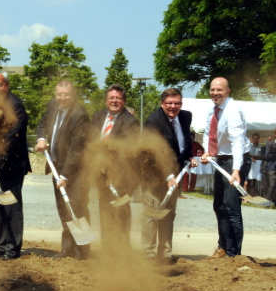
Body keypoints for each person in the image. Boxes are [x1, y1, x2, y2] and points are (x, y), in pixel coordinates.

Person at [35, 80, 90, 259]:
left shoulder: (79, 115)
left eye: (66, 95)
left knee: (77, 208)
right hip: (57, 166)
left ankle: (83, 251)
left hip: (76, 171)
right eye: (59, 94)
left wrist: (65, 175)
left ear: (72, 95)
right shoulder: (53, 106)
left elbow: (77, 150)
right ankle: (67, 250)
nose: (62, 98)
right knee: (63, 208)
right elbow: (42, 123)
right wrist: (41, 139)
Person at [142, 88, 195, 263]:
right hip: (154, 175)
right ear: (162, 103)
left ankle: (164, 254)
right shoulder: (153, 121)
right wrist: (167, 176)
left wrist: (189, 157)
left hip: (175, 175)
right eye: (169, 103)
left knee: (168, 214)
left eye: (177, 103)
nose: (173, 106)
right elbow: (154, 153)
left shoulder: (186, 117)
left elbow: (185, 143)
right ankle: (148, 255)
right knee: (152, 214)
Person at [0, 70, 31, 260]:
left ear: (7, 85)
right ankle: (1, 244)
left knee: (12, 207)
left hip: (11, 165)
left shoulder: (15, 106)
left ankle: (13, 248)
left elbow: (10, 139)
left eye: (0, 85)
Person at [200, 77, 247, 258]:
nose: (215, 93)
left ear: (228, 91)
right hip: (220, 159)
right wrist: (207, 152)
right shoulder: (213, 110)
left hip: (236, 160)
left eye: (219, 90)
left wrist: (236, 169)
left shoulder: (233, 110)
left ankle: (234, 254)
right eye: (212, 90)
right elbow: (207, 134)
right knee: (218, 205)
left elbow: (238, 142)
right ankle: (223, 247)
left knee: (231, 206)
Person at [91, 84, 138, 251]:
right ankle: (107, 249)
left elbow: (130, 151)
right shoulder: (98, 117)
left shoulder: (131, 122)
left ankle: (123, 249)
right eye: (111, 98)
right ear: (106, 101)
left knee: (121, 212)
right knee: (105, 210)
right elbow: (91, 140)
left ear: (124, 101)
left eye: (118, 98)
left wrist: (110, 163)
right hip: (101, 174)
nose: (114, 101)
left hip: (121, 177)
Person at [246, 133, 264, 197]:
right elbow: (247, 155)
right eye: (254, 138)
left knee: (256, 180)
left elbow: (261, 156)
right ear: (252, 139)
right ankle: (247, 193)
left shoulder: (260, 147)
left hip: (257, 165)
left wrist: (255, 157)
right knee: (248, 179)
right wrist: (251, 157)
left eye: (256, 139)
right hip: (249, 164)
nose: (255, 140)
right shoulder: (249, 146)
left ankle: (255, 193)